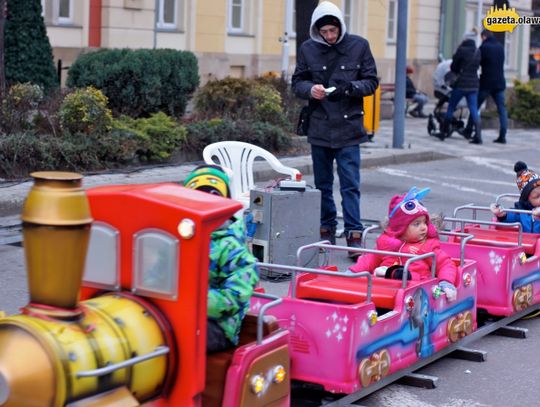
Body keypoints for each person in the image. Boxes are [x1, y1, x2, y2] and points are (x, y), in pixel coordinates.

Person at [291, 1, 379, 258]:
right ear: (316, 31)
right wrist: (311, 90)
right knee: (322, 184)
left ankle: (354, 234)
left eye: (333, 30)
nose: (329, 36)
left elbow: (372, 81)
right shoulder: (308, 49)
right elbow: (297, 82)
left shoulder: (359, 45)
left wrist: (350, 88)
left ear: (341, 26)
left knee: (350, 184)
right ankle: (326, 229)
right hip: (319, 125)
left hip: (349, 125)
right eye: (324, 32)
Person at [183, 164, 259, 353]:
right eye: (197, 198)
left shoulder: (231, 246)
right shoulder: (178, 239)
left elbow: (236, 295)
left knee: (180, 340)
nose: (204, 205)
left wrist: (192, 304)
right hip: (178, 314)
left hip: (217, 325)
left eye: (212, 198)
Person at [349, 187, 458, 301]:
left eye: (425, 222)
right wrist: (352, 272)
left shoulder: (428, 245)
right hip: (384, 289)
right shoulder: (387, 244)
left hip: (416, 290)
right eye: (416, 224)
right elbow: (371, 259)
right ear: (401, 228)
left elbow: (445, 264)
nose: (423, 227)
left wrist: (446, 282)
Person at [463, 29, 508, 144]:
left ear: (484, 37)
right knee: (502, 109)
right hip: (500, 82)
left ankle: (468, 130)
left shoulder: (484, 47)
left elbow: (477, 62)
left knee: (475, 106)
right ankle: (502, 136)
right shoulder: (500, 47)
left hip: (486, 83)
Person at [440, 30, 482, 144]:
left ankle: (443, 132)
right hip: (474, 85)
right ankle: (478, 135)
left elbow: (454, 67)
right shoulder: (478, 51)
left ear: (465, 39)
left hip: (461, 84)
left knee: (451, 107)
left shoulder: (461, 50)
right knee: (473, 109)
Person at [490, 161, 540, 233]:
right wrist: (501, 214)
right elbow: (510, 217)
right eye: (537, 196)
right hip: (527, 242)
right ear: (527, 200)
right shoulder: (522, 212)